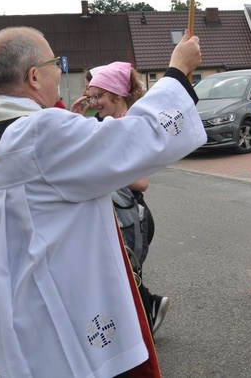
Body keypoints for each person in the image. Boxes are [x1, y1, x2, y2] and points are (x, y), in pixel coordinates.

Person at [0, 26, 206, 378]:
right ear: (34, 75)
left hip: (12, 310)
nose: (60, 70)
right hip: (62, 310)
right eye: (55, 62)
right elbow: (138, 138)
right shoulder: (40, 132)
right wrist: (178, 71)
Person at [86, 61, 169, 339]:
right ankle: (147, 311)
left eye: (99, 96)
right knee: (123, 280)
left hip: (134, 218)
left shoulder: (132, 125)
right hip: (118, 214)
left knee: (124, 280)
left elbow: (142, 181)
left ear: (117, 95)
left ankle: (140, 329)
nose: (94, 102)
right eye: (92, 96)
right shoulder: (104, 124)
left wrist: (100, 166)